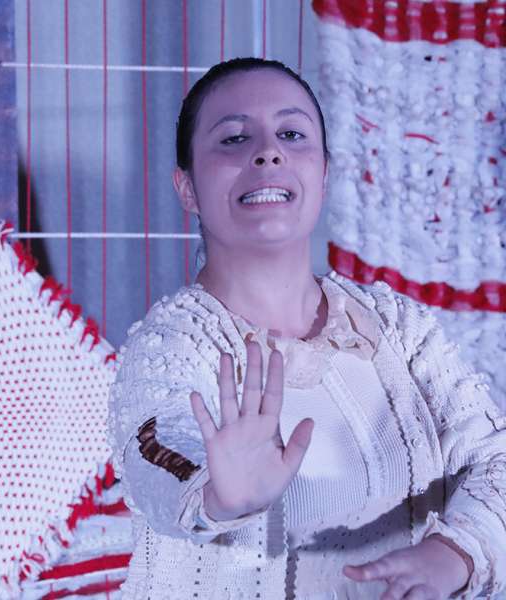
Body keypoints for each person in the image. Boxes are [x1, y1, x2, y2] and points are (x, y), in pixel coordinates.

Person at [107, 57, 506, 599]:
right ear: (188, 190)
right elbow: (153, 450)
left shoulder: (398, 326)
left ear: (322, 174)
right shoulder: (170, 345)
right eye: (233, 139)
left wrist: (456, 552)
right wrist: (217, 494)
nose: (267, 151)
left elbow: (494, 458)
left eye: (291, 134)